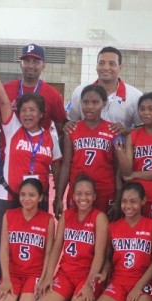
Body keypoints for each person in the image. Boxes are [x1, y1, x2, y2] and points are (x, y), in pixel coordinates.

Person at [0, 43, 68, 290]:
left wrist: (58, 195)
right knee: (1, 225)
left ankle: (35, 273)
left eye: (35, 61)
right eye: (26, 60)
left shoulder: (52, 97)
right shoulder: (12, 122)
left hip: (37, 185)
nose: (31, 65)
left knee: (36, 227)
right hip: (8, 172)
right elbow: (0, 105)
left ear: (43, 65)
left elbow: (63, 128)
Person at [86, 182, 152, 301]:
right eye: (124, 201)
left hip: (142, 283)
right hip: (119, 282)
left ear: (143, 201)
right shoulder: (113, 226)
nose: (128, 206)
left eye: (133, 201)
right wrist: (105, 272)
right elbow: (108, 258)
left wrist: (138, 287)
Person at [33, 174, 109, 301]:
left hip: (86, 275)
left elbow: (100, 256)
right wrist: (48, 277)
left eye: (88, 194)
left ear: (94, 196)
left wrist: (89, 285)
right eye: (79, 194)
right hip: (65, 274)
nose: (83, 198)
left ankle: (83, 300)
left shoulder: (99, 217)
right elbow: (56, 249)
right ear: (73, 196)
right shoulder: (66, 216)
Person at [54, 85, 121, 218]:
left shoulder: (113, 131)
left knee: (104, 234)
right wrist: (58, 197)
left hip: (105, 192)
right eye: (85, 102)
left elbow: (118, 169)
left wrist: (118, 199)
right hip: (78, 192)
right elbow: (66, 166)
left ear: (104, 104)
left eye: (95, 102)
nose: (90, 107)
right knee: (78, 232)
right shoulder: (71, 131)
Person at [0, 178, 56, 301]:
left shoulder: (48, 220)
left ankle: (23, 299)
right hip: (13, 274)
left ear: (40, 198)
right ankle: (17, 298)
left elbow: (48, 253)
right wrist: (5, 279)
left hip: (34, 275)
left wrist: (43, 278)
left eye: (32, 195)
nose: (26, 199)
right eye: (23, 194)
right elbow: (4, 249)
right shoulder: (9, 215)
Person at [114, 92, 152, 226]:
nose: (146, 113)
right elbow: (126, 171)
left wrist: (135, 175)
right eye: (142, 109)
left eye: (151, 109)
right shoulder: (133, 135)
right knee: (135, 234)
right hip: (134, 196)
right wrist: (119, 151)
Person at [67, 46, 142, 134]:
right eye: (101, 63)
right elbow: (72, 124)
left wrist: (126, 131)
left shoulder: (135, 96)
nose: (106, 68)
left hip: (119, 147)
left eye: (112, 64)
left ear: (120, 67)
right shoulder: (79, 91)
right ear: (96, 66)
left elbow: (142, 130)